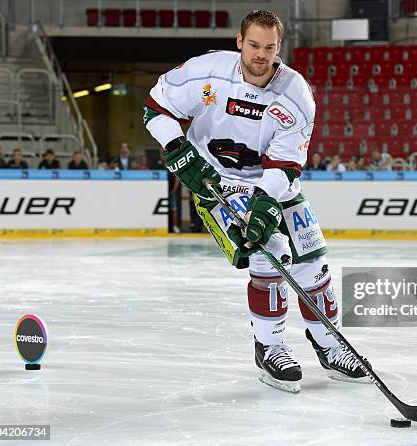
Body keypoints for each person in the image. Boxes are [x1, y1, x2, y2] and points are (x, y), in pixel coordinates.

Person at [143, 9, 369, 393]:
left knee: (313, 262)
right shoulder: (207, 71)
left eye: (269, 47)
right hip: (218, 184)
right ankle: (271, 347)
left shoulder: (296, 93)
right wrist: (177, 147)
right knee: (270, 253)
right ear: (239, 42)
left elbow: (286, 164)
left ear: (279, 47)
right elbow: (156, 108)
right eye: (253, 45)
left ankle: (331, 346)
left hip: (275, 183)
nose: (261, 55)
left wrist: (264, 202)